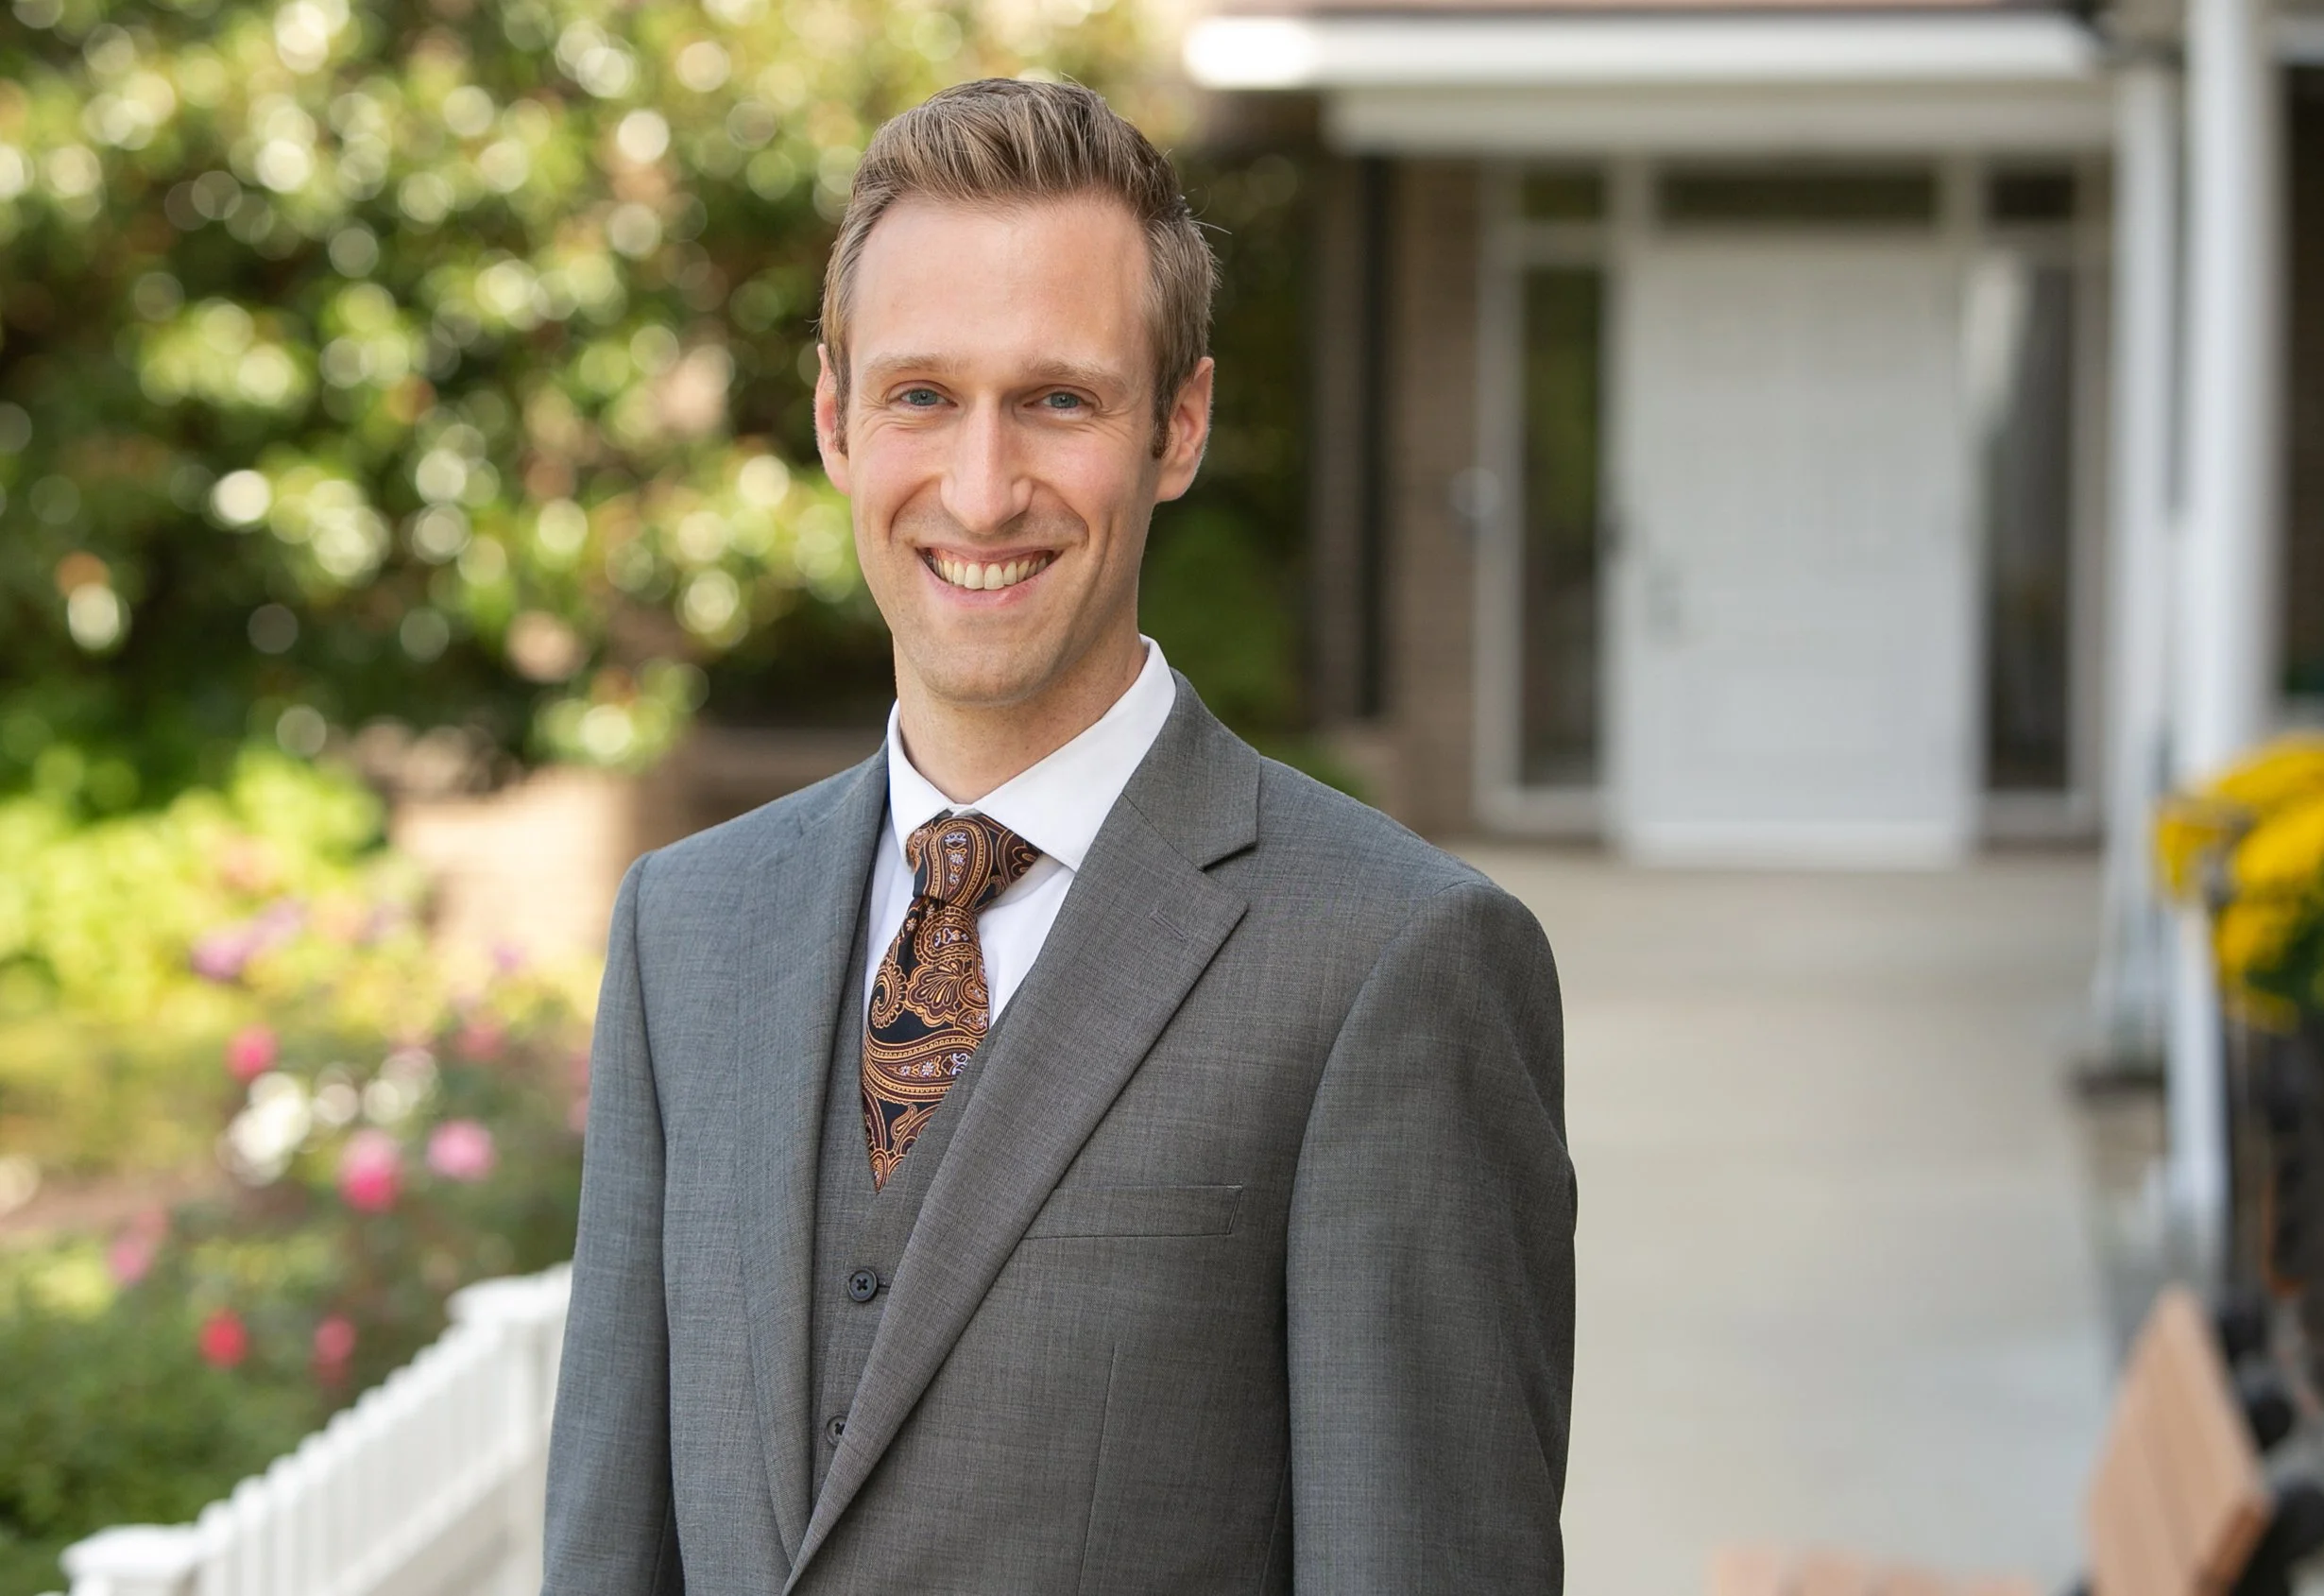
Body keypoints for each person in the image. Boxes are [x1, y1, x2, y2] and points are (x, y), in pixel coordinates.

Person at [540, 77, 1575, 1596]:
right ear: (834, 418)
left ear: (1180, 425)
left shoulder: (1397, 962)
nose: (979, 487)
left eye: (1058, 399)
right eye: (920, 397)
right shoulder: (687, 929)